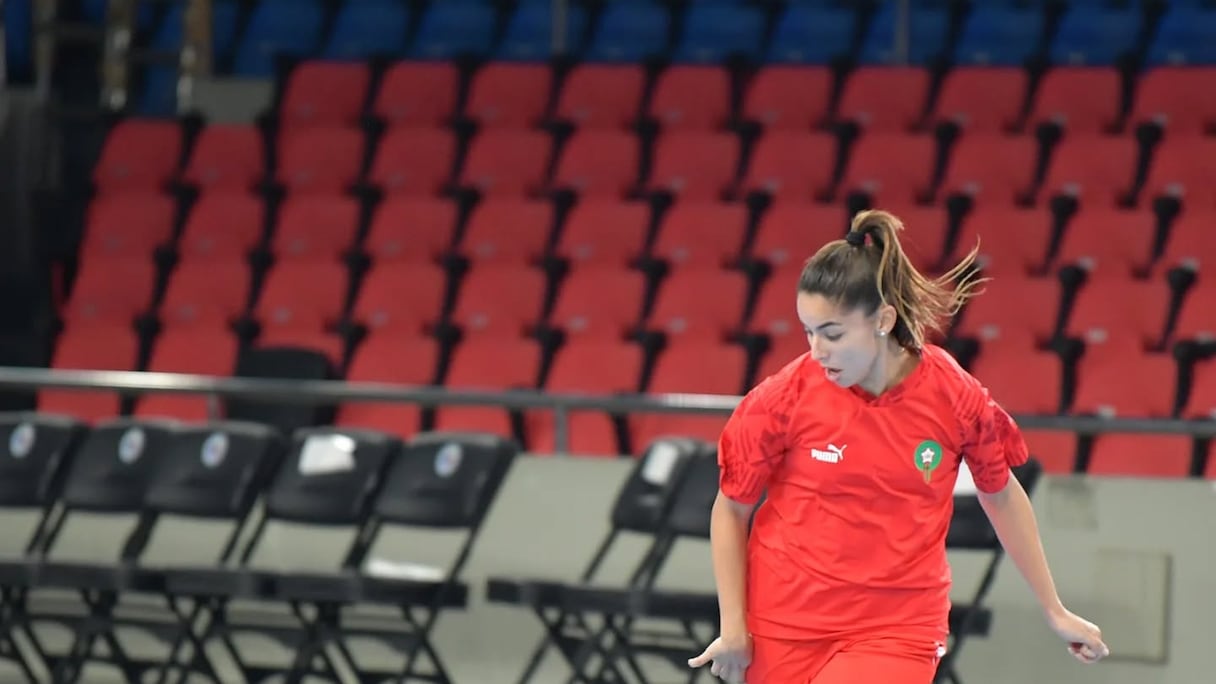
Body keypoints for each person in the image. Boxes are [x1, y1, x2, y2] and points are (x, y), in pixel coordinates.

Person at [686, 210, 1109, 683]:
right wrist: (733, 628)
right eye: (809, 332)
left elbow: (1001, 493)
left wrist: (1054, 609)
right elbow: (732, 508)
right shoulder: (782, 398)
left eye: (833, 334)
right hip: (782, 622)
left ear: (884, 319)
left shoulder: (955, 396)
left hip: (896, 628)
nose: (817, 351)